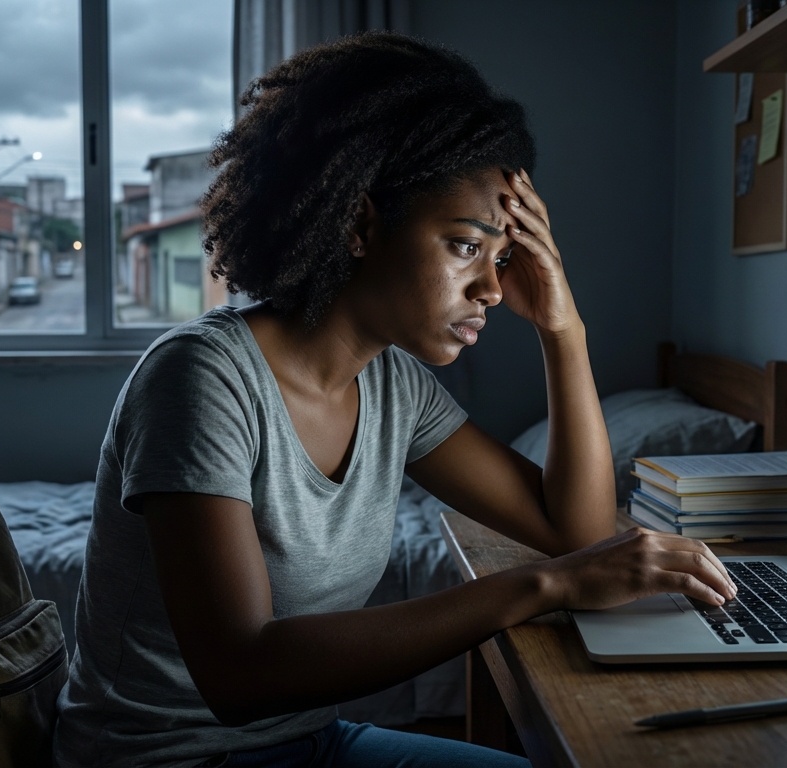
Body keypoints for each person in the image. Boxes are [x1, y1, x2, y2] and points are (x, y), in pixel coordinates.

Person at [53, 32, 736, 768]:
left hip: (305, 743)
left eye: (503, 259)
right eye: (465, 246)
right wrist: (544, 586)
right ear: (358, 222)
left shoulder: (392, 386)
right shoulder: (201, 379)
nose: (494, 290)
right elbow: (241, 674)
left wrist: (563, 329)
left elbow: (576, 530)